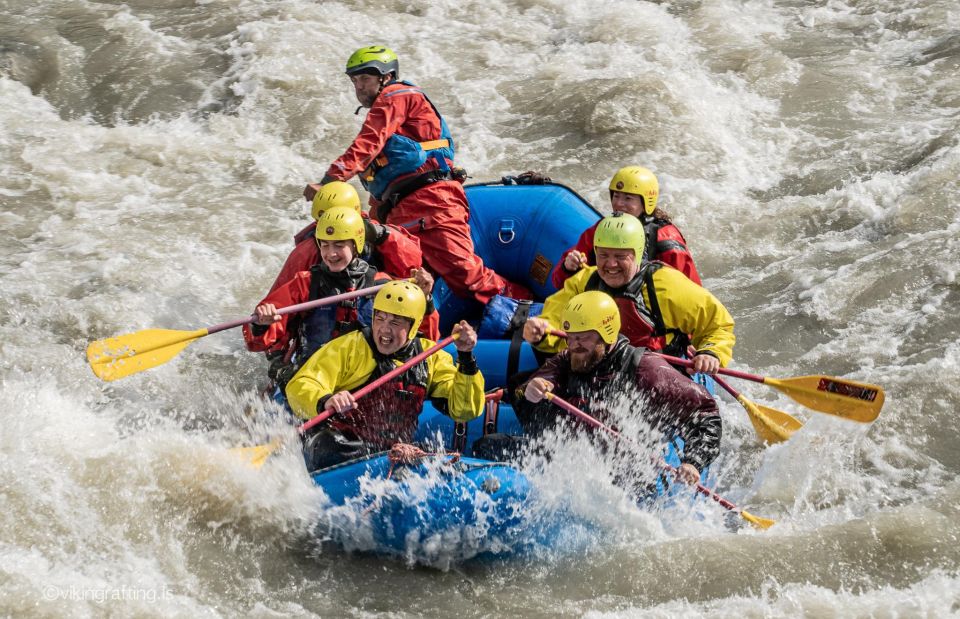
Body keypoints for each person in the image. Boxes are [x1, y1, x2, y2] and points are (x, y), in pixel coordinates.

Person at [302, 45, 531, 304]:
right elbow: (384, 190)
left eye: (365, 78)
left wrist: (329, 181)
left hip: (432, 202)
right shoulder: (391, 116)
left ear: (386, 77)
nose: (359, 87)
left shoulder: (397, 95)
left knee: (467, 276)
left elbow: (367, 144)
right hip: (403, 212)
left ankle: (531, 310)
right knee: (406, 288)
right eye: (355, 81)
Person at [516, 291, 721, 486]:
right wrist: (529, 392)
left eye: (583, 337)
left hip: (630, 473)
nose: (573, 345)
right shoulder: (567, 359)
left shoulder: (647, 370)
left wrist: (694, 462)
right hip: (576, 459)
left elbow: (705, 413)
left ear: (607, 335)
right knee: (488, 444)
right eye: (570, 336)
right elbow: (523, 397)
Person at [285, 280, 484, 470]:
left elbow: (464, 410)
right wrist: (326, 400)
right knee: (327, 445)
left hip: (392, 453)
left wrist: (466, 358)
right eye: (380, 318)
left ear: (413, 326)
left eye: (396, 322)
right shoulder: (350, 347)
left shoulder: (430, 357)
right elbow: (302, 384)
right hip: (343, 447)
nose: (385, 329)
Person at [243, 206, 439, 384]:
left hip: (364, 379)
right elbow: (257, 341)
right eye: (325, 245)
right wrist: (261, 324)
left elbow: (426, 340)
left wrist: (426, 300)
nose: (331, 253)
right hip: (315, 378)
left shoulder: (381, 283)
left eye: (339, 245)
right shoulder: (305, 283)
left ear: (356, 245)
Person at [524, 213, 734, 375]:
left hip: (657, 376)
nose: (610, 264)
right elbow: (554, 324)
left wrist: (710, 352)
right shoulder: (583, 281)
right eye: (603, 255)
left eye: (620, 256)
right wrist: (540, 332)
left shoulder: (665, 285)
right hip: (598, 373)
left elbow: (718, 325)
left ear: (637, 253)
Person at [552, 166, 701, 289]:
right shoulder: (602, 229)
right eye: (616, 196)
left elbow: (692, 291)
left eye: (628, 198)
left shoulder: (666, 239)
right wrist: (568, 267)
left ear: (646, 202)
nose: (619, 204)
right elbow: (559, 283)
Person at [268, 181, 423, 294]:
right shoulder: (306, 252)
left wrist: (384, 236)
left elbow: (412, 267)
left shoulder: (381, 234)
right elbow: (278, 300)